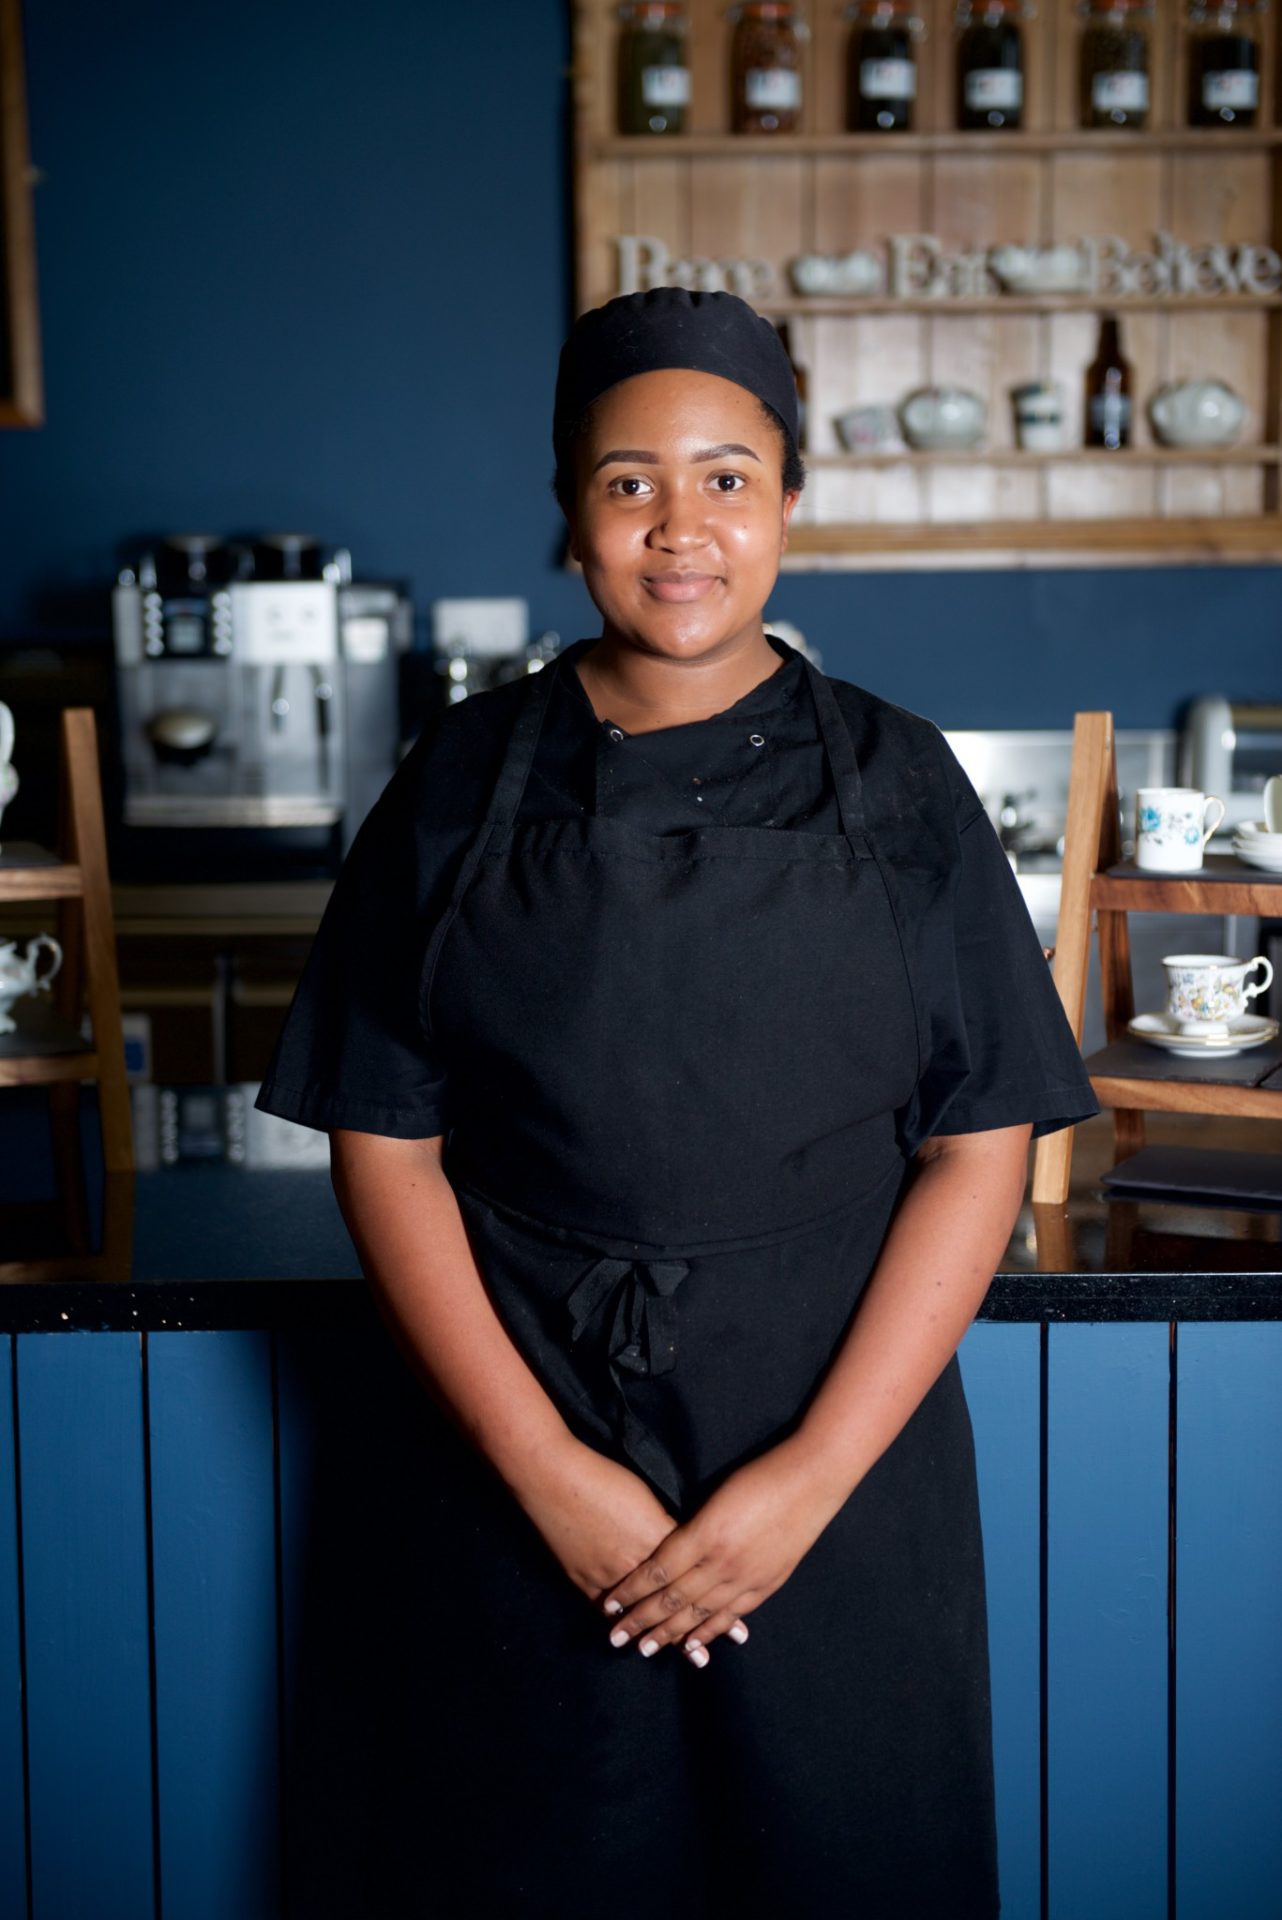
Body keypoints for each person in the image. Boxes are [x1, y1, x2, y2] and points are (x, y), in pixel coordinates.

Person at [255, 286, 1100, 1918]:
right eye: (627, 481)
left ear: (789, 501)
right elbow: (385, 1143)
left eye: (726, 477)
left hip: (835, 1458)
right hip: (516, 1451)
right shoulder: (455, 778)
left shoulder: (904, 782)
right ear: (567, 511)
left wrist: (806, 1482)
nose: (679, 527)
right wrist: (542, 1471)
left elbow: (975, 1150)